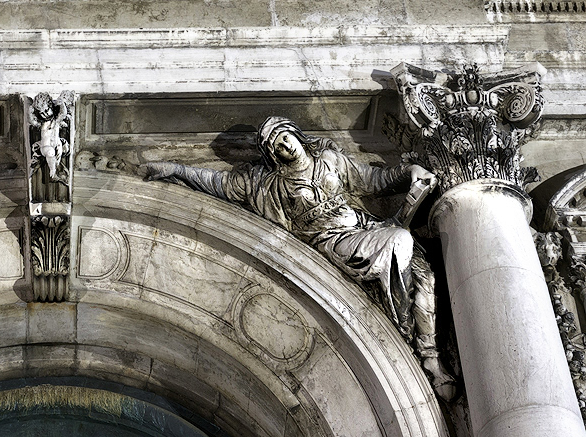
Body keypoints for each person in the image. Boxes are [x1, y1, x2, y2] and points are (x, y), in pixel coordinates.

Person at [145, 115, 455, 399]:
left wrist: (410, 172)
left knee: (423, 276)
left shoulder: (331, 161)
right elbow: (216, 183)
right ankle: (407, 333)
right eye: (275, 144)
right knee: (399, 241)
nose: (284, 145)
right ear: (272, 154)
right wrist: (174, 170)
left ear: (296, 134)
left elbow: (375, 180)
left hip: (364, 228)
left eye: (285, 136)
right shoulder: (266, 185)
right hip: (334, 242)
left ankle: (428, 354)